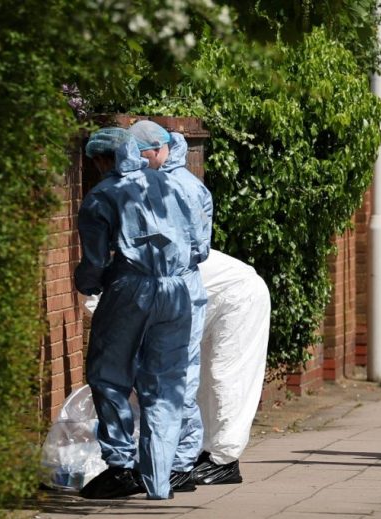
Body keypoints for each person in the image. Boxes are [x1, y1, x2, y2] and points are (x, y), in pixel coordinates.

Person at [76, 128, 199, 500]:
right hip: (179, 289)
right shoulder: (173, 184)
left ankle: (121, 466)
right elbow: (199, 245)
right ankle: (160, 480)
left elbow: (94, 264)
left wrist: (88, 283)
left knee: (109, 375)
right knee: (165, 384)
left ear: (102, 160)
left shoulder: (101, 196)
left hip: (132, 288)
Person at [128, 121, 213, 492]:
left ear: (157, 150)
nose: (134, 162)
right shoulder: (166, 180)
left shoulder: (182, 186)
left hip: (178, 285)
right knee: (161, 375)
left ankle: (180, 462)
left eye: (139, 155)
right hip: (168, 286)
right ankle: (170, 461)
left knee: (178, 376)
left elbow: (198, 246)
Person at [190, 250, 271, 485]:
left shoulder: (136, 275)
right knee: (203, 380)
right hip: (216, 300)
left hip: (241, 296)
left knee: (226, 376)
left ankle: (225, 461)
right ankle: (207, 450)